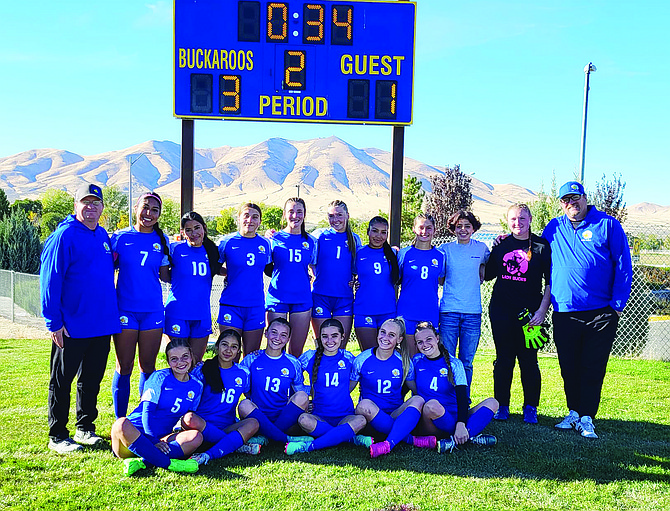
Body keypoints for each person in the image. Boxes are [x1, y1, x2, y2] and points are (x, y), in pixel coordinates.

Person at [544, 181, 632, 439]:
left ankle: (587, 417)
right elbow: (534, 250)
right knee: (568, 366)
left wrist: (617, 306)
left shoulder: (607, 224)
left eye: (576, 198)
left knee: (593, 367)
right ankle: (573, 411)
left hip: (600, 313)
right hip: (564, 311)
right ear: (561, 203)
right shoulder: (554, 227)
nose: (572, 203)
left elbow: (623, 265)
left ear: (585, 198)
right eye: (566, 200)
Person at [40, 183, 121, 454]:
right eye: (85, 202)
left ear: (101, 208)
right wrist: (54, 322)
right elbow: (50, 281)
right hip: (72, 325)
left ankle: (85, 428)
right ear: (75, 206)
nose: (91, 207)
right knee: (62, 381)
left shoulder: (102, 235)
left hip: (101, 324)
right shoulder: (64, 236)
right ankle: (58, 434)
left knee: (91, 379)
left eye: (96, 202)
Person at [485, 204, 551, 423]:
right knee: (504, 360)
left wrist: (542, 311)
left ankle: (530, 406)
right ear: (507, 220)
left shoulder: (542, 246)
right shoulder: (502, 245)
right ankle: (501, 405)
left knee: (529, 360)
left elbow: (550, 282)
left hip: (530, 316)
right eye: (513, 219)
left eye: (522, 218)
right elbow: (487, 274)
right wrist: (487, 248)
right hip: (501, 311)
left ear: (530, 219)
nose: (517, 223)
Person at [110, 192, 171, 419]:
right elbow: (104, 267)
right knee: (124, 366)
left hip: (153, 311)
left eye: (154, 210)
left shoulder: (162, 242)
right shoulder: (119, 238)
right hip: (125, 310)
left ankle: (143, 419)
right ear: (136, 208)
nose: (149, 213)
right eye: (145, 207)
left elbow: (167, 276)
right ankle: (120, 420)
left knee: (148, 366)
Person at [110, 338, 202, 476]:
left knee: (196, 437)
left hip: (162, 438)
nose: (180, 362)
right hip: (133, 435)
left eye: (185, 357)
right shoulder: (159, 377)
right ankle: (170, 464)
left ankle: (143, 461)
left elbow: (189, 414)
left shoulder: (197, 385)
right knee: (121, 423)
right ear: (168, 362)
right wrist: (152, 441)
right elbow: (147, 411)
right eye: (174, 359)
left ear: (191, 357)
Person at [284, 319, 371, 455]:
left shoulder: (349, 358)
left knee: (361, 420)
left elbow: (355, 381)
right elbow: (291, 371)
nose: (330, 340)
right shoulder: (309, 357)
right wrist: (306, 393)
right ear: (320, 338)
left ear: (343, 337)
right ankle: (348, 437)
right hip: (319, 417)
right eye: (325, 336)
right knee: (303, 420)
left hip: (345, 417)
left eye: (334, 336)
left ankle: (310, 445)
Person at [412, 321, 498, 453]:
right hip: (430, 419)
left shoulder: (454, 363)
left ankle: (454, 439)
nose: (425, 345)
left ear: (437, 338)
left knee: (493, 402)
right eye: (420, 342)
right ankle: (468, 436)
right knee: (431, 405)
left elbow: (462, 398)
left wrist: (461, 423)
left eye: (429, 339)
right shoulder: (416, 360)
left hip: (454, 415)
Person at [352, 318, 432, 458]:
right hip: (371, 417)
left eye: (391, 335)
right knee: (363, 405)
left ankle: (388, 444)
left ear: (399, 339)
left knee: (418, 399)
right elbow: (347, 389)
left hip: (395, 414)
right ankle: (410, 439)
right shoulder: (362, 359)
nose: (385, 338)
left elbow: (415, 390)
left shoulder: (404, 361)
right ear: (378, 334)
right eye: (382, 332)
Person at [182, 329, 261, 465]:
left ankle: (208, 455)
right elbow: (188, 399)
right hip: (202, 426)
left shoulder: (243, 373)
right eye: (224, 344)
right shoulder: (203, 370)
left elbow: (250, 395)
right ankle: (234, 444)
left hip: (227, 426)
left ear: (239, 352)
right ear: (217, 346)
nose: (228, 350)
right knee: (188, 419)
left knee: (253, 423)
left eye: (234, 347)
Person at [237, 318, 313, 444]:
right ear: (266, 333)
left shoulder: (293, 363)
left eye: (283, 335)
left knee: (302, 396)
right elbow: (246, 391)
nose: (278, 338)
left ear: (288, 339)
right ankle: (284, 438)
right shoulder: (251, 359)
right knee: (244, 404)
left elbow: (299, 391)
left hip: (284, 417)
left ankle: (268, 436)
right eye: (274, 332)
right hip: (258, 416)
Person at [438, 210, 490, 391]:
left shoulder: (482, 248)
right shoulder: (445, 250)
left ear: (474, 228)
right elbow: (439, 277)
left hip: (472, 313)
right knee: (448, 360)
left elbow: (490, 266)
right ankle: (447, 399)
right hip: (449, 312)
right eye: (459, 226)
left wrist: (483, 266)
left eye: (467, 226)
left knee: (467, 362)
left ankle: (463, 400)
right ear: (453, 228)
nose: (463, 230)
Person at [164, 211, 221, 363]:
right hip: (178, 313)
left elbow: (221, 269)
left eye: (197, 228)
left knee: (195, 363)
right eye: (188, 230)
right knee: (179, 362)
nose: (193, 233)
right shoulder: (175, 249)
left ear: (204, 228)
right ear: (182, 232)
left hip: (201, 314)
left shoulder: (213, 251)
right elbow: (163, 274)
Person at [265, 198, 317, 356]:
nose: (295, 215)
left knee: (296, 351)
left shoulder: (312, 242)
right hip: (277, 300)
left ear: (304, 214)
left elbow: (315, 270)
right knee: (275, 348)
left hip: (302, 300)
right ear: (284, 214)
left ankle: (293, 380)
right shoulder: (272, 240)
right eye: (291, 211)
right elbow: (264, 267)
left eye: (299, 212)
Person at [218, 203, 272, 355]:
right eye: (246, 216)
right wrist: (229, 273)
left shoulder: (265, 244)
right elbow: (214, 267)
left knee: (251, 355)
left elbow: (269, 269)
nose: (250, 220)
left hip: (255, 306)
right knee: (229, 355)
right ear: (239, 218)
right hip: (231, 305)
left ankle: (247, 380)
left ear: (260, 221)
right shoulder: (226, 242)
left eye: (255, 217)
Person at [311, 200, 362, 346]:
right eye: (331, 216)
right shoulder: (319, 236)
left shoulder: (355, 239)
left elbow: (357, 268)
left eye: (339, 215)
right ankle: (318, 369)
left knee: (340, 346)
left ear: (348, 215)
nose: (335, 220)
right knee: (322, 345)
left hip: (344, 299)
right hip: (321, 296)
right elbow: (307, 256)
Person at [397, 214, 446, 356]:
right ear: (414, 229)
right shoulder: (404, 254)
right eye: (421, 227)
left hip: (429, 312)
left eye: (429, 228)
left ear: (434, 230)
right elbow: (396, 278)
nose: (425, 232)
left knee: (427, 357)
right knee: (409, 358)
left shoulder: (441, 255)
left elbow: (441, 279)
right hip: (407, 312)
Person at [353, 216, 399, 351]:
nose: (379, 236)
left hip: (388, 311)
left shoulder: (394, 254)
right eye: (375, 231)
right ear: (368, 231)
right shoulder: (358, 253)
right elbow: (349, 275)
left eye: (383, 232)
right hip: (365, 311)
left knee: (387, 355)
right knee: (369, 355)